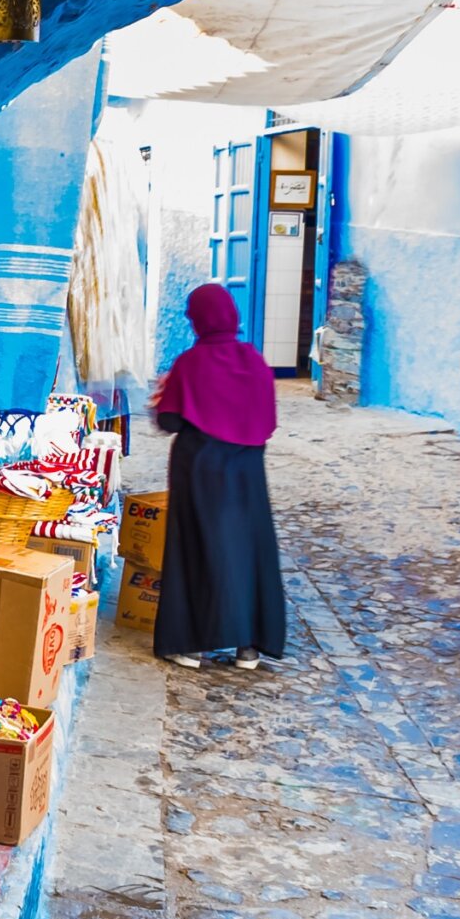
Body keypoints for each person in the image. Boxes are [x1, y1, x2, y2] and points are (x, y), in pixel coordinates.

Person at [152, 283, 286, 669]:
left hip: (200, 471)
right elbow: (267, 423)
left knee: (199, 549)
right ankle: (249, 647)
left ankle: (192, 644)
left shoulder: (191, 363)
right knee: (248, 552)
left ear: (199, 321)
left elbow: (170, 419)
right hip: (247, 472)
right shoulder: (254, 361)